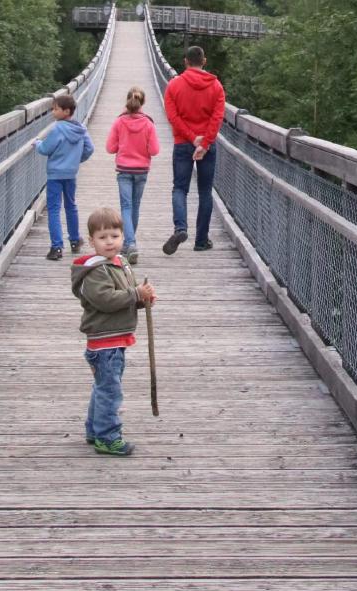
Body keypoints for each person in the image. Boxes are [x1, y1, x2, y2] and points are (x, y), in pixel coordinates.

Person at [71, 207, 157, 456]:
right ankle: (108, 437)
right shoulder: (95, 271)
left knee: (104, 387)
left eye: (114, 236)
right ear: (91, 241)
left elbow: (125, 297)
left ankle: (95, 430)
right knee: (110, 391)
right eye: (102, 237)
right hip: (103, 342)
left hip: (115, 339)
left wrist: (143, 300)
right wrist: (135, 294)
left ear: (123, 237)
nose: (109, 242)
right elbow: (106, 300)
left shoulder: (121, 264)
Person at [162, 45, 226, 255]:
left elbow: (173, 117)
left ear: (185, 62)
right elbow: (217, 119)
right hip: (207, 146)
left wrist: (191, 138)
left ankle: (181, 228)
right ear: (204, 61)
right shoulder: (216, 87)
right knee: (205, 191)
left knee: (180, 188)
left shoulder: (174, 85)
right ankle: (201, 241)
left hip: (183, 143)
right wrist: (205, 143)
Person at [34, 94, 94, 261]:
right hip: (71, 174)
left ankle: (56, 247)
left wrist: (37, 143)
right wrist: (75, 160)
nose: (53, 111)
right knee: (71, 205)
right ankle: (74, 241)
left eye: (55, 109)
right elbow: (89, 149)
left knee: (54, 209)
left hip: (55, 174)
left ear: (66, 111)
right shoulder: (81, 129)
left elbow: (45, 149)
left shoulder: (57, 129)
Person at [106, 86, 160, 265]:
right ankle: (130, 243)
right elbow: (154, 150)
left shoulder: (119, 122)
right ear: (142, 103)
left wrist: (123, 145)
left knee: (126, 207)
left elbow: (110, 148)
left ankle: (130, 244)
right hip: (141, 170)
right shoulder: (149, 123)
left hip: (124, 169)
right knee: (135, 206)